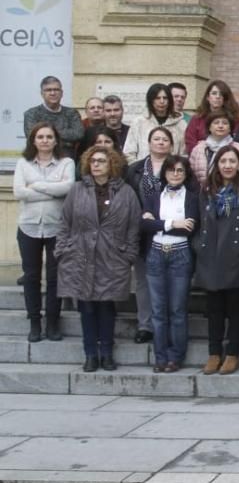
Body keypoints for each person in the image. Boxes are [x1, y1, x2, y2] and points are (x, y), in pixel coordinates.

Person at [56, 146, 141, 372]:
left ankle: (107, 353)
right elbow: (65, 222)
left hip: (112, 257)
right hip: (80, 255)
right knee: (86, 307)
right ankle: (90, 354)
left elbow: (134, 226)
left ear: (111, 164)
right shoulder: (77, 190)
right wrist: (62, 249)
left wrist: (129, 254)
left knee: (106, 307)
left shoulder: (126, 192)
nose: (96, 165)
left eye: (101, 161)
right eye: (92, 161)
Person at [194, 145, 239, 375]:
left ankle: (232, 353)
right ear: (217, 165)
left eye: (232, 161)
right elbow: (199, 220)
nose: (228, 165)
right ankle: (213, 353)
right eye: (223, 161)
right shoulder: (206, 190)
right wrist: (199, 246)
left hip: (236, 256)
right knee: (214, 308)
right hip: (210, 254)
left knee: (235, 306)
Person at [14, 123, 74, 342]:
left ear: (56, 140)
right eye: (40, 137)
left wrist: (36, 186)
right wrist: (51, 188)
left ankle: (53, 322)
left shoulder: (66, 163)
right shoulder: (23, 163)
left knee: (55, 277)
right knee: (31, 277)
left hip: (56, 227)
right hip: (28, 227)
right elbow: (19, 191)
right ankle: (34, 322)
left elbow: (68, 189)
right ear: (33, 140)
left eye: (49, 136)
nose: (45, 140)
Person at [139, 155, 199, 373]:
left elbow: (189, 228)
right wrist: (173, 222)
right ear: (164, 173)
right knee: (157, 309)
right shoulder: (154, 196)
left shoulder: (192, 197)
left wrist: (157, 223)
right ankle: (160, 356)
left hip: (180, 253)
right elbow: (143, 225)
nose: (175, 174)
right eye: (171, 170)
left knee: (177, 308)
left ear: (186, 174)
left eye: (180, 171)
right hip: (155, 253)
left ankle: (175, 356)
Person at [126, 125, 177, 344]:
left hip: (171, 230)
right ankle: (145, 325)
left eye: (165, 139)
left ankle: (166, 322)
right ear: (148, 143)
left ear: (171, 144)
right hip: (142, 232)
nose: (161, 142)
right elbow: (127, 199)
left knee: (170, 280)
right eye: (156, 139)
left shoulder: (178, 167)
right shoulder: (135, 169)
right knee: (143, 281)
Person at [189, 112, 239, 191]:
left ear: (230, 128)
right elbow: (191, 175)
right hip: (202, 194)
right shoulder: (198, 149)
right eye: (216, 123)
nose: (220, 126)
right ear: (209, 127)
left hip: (234, 194)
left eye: (225, 123)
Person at [23, 75, 85, 157]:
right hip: (39, 158)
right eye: (48, 90)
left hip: (66, 157)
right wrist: (67, 139)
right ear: (42, 93)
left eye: (56, 89)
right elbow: (32, 136)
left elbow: (78, 134)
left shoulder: (72, 113)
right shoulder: (31, 114)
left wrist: (46, 132)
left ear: (62, 93)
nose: (53, 93)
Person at [125, 83, 186, 162]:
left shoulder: (181, 124)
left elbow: (183, 154)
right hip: (143, 171)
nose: (162, 101)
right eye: (157, 98)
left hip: (171, 171)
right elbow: (129, 153)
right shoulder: (139, 122)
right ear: (151, 100)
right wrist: (138, 171)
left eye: (165, 98)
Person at [184, 80, 239, 154]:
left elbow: (238, 142)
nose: (217, 97)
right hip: (201, 159)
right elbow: (190, 143)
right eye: (214, 93)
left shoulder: (235, 118)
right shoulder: (197, 119)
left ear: (225, 98)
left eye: (221, 94)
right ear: (208, 97)